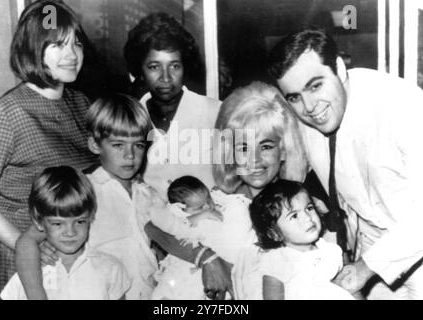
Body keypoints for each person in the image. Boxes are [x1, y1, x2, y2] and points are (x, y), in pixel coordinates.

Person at [268, 28, 423, 299]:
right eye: (294, 97)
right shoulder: (307, 120)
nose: (310, 107)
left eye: (315, 86)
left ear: (339, 68)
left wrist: (364, 269)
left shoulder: (404, 107)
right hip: (370, 250)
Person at [145, 82, 308, 299]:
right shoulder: (219, 198)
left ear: (284, 150)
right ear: (229, 151)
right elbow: (154, 227)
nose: (254, 159)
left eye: (266, 146)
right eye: (243, 147)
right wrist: (207, 259)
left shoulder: (300, 207)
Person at [0, 0, 98, 299]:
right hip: (28, 261)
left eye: (76, 43)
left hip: (78, 251)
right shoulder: (7, 113)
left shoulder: (80, 103)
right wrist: (25, 244)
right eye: (58, 45)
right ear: (33, 49)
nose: (72, 55)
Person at [16, 93, 162, 299]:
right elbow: (26, 242)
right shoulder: (84, 189)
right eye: (118, 145)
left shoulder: (148, 194)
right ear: (95, 145)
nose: (130, 155)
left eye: (138, 145)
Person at [123, 12, 222, 199]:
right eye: (154, 67)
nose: (166, 77)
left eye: (174, 66)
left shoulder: (215, 113)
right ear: (140, 71)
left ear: (185, 67)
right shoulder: (129, 120)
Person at [1, 166, 130, 300]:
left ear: (91, 216)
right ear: (38, 222)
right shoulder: (29, 272)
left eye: (80, 221)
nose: (70, 232)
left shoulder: (111, 268)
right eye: (58, 224)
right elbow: (25, 242)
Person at [250, 179, 354, 300]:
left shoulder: (331, 250)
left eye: (309, 208)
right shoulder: (278, 260)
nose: (308, 218)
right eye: (294, 216)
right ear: (274, 234)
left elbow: (353, 286)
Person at [150, 175, 249, 300]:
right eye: (200, 207)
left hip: (208, 274)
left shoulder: (222, 209)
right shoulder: (182, 219)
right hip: (183, 267)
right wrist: (203, 215)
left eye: (208, 200)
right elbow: (178, 224)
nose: (207, 207)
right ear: (180, 209)